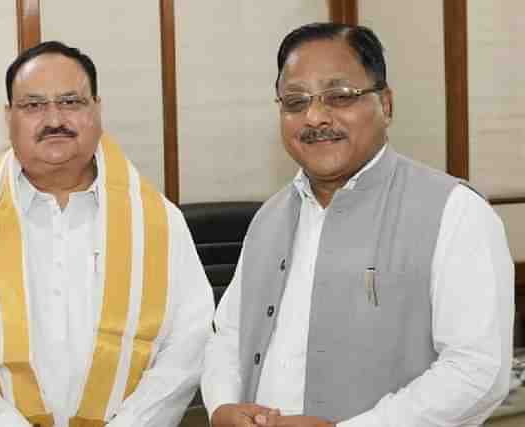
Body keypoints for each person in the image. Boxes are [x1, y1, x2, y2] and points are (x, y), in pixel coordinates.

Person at [201, 22, 514, 427]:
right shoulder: (269, 218)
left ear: (386, 104)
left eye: (339, 96)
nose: (315, 116)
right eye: (295, 102)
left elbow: (477, 370)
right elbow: (229, 333)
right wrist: (222, 405)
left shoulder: (455, 212)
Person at [0, 41, 214, 427]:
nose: (54, 119)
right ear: (8, 117)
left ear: (96, 109)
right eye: (33, 105)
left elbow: (190, 338)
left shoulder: (159, 220)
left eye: (71, 102)